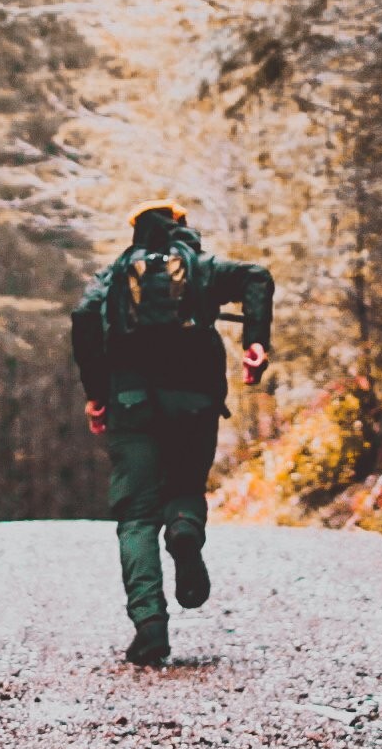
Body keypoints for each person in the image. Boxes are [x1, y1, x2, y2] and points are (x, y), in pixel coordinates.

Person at [67, 193, 277, 667]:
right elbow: (255, 277)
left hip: (132, 404)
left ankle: (150, 626)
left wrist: (97, 393)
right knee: (185, 486)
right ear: (181, 226)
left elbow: (83, 318)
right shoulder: (199, 268)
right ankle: (184, 532)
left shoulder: (117, 275)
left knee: (137, 515)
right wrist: (255, 340)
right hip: (196, 403)